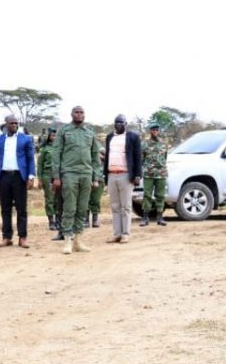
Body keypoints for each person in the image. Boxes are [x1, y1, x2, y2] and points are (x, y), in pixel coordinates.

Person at [52, 106, 103, 254]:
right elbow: (57, 153)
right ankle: (67, 239)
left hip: (86, 174)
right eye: (77, 112)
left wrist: (96, 177)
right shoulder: (64, 130)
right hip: (69, 173)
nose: (79, 115)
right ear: (71, 114)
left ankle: (78, 241)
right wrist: (56, 176)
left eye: (82, 112)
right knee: (69, 207)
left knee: (82, 208)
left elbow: (95, 157)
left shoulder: (89, 132)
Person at [0, 114, 36, 248]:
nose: (15, 125)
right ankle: (7, 237)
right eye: (12, 123)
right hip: (3, 177)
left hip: (19, 177)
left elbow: (30, 159)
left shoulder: (25, 139)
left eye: (16, 123)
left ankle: (22, 237)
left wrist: (31, 176)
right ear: (6, 124)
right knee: (5, 209)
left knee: (21, 209)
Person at [102, 114, 141, 243]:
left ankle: (125, 234)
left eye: (122, 123)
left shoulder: (133, 137)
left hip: (126, 175)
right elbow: (107, 156)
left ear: (126, 124)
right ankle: (117, 234)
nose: (119, 125)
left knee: (126, 206)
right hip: (112, 174)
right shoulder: (110, 137)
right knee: (115, 206)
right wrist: (105, 174)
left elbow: (137, 157)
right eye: (117, 123)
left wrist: (137, 175)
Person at [140, 123, 168, 226]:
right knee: (147, 195)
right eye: (153, 130)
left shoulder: (163, 143)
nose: (155, 131)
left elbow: (165, 158)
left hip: (161, 173)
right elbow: (141, 159)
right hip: (148, 173)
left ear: (159, 131)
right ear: (150, 131)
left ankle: (160, 217)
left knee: (160, 195)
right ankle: (145, 217)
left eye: (157, 130)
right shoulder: (145, 144)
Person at [37, 127, 60, 231]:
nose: (54, 137)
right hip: (47, 175)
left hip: (58, 176)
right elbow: (40, 164)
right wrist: (40, 179)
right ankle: (51, 221)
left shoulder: (60, 148)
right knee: (50, 198)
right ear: (49, 137)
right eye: (52, 135)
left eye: (55, 135)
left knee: (58, 199)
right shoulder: (45, 149)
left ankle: (58, 220)